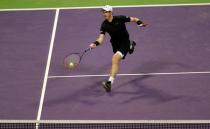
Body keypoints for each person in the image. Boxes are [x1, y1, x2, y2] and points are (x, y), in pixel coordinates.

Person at [89, 5, 147, 92]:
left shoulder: (120, 18)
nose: (104, 13)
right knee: (119, 58)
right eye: (103, 12)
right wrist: (95, 43)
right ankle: (131, 46)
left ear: (111, 12)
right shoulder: (104, 24)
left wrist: (140, 23)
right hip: (115, 44)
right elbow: (101, 38)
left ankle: (109, 83)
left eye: (106, 12)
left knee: (115, 58)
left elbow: (134, 19)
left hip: (124, 42)